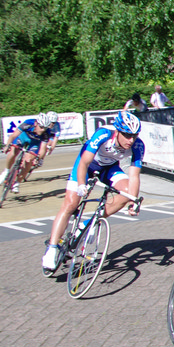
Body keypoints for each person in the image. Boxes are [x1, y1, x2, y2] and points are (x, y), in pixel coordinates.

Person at [41, 112, 144, 270]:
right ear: (118, 131)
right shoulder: (104, 134)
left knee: (127, 192)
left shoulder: (138, 145)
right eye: (127, 135)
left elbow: (134, 176)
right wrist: (81, 184)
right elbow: (84, 162)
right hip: (87, 166)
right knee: (71, 203)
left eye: (134, 136)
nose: (131, 140)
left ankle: (88, 224)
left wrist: (133, 201)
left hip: (108, 168)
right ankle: (52, 248)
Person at [0, 112, 60, 194]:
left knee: (29, 161)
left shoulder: (46, 133)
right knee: (13, 152)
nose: (42, 130)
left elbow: (43, 149)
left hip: (35, 143)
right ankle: (6, 171)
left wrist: (38, 158)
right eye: (41, 127)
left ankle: (17, 183)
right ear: (36, 123)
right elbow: (13, 136)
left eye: (45, 128)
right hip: (23, 137)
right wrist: (7, 145)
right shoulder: (28, 123)